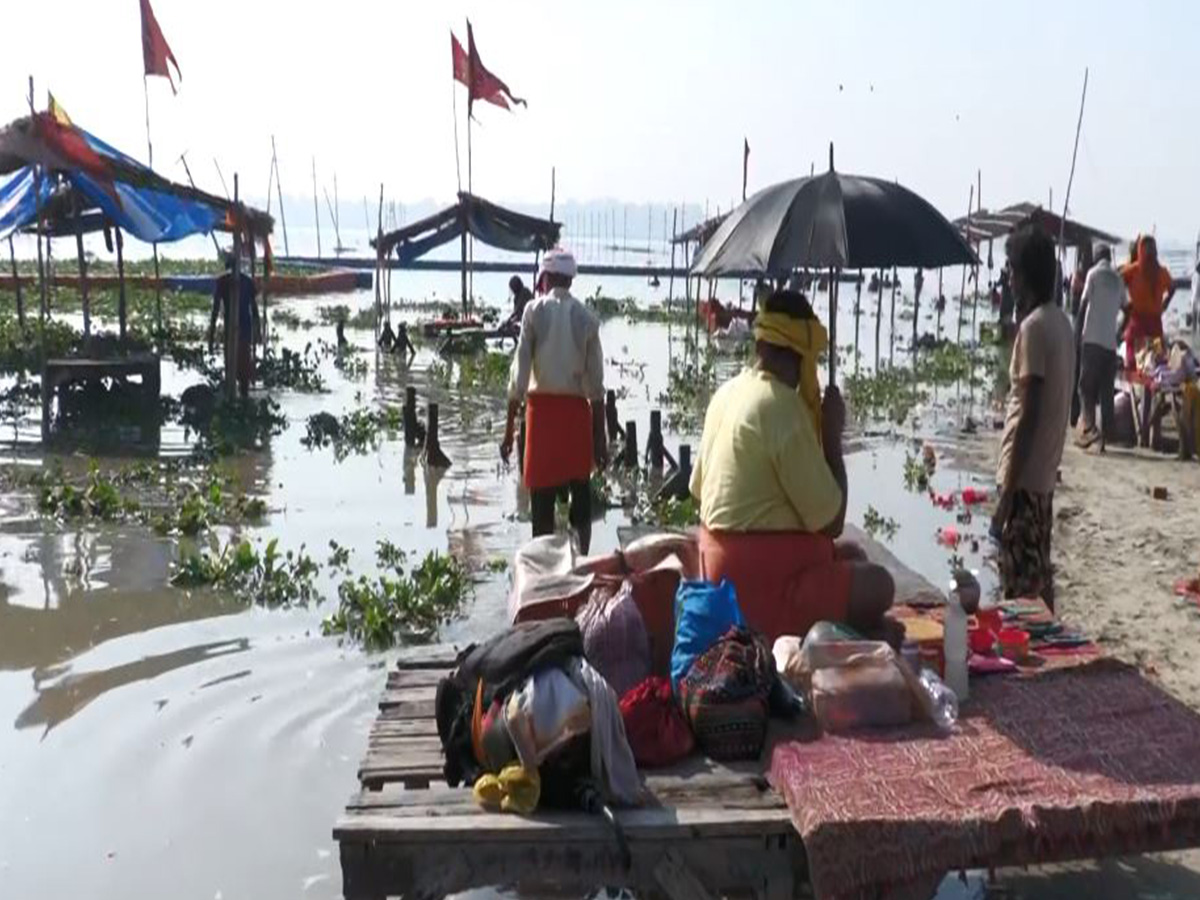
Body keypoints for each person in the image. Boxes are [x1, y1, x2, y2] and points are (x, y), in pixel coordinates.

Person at [689, 289, 895, 644]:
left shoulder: (727, 394)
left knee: (854, 555)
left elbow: (697, 490)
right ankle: (827, 635)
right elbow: (830, 522)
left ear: (760, 346)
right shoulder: (782, 406)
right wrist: (832, 437)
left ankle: (852, 634)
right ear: (803, 361)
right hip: (759, 588)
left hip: (716, 571)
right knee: (881, 585)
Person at [501, 248, 606, 553]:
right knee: (581, 497)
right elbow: (596, 389)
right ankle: (583, 559)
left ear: (544, 279)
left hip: (542, 418)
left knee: (542, 504)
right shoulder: (587, 319)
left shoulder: (533, 312)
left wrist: (509, 431)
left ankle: (542, 570)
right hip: (576, 418)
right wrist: (600, 439)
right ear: (570, 281)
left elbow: (518, 380)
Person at [992, 226, 1075, 611]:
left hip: (1024, 481)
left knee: (1020, 594)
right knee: (1040, 580)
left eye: (1011, 268)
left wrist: (1007, 494)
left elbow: (1028, 411)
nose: (1008, 275)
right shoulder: (1059, 323)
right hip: (1042, 478)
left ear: (1024, 274)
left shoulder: (1035, 328)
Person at [1076, 245, 1127, 448]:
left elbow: (1082, 306)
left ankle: (1088, 429)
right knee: (1107, 391)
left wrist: (1077, 335)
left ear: (1097, 258)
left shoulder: (1093, 274)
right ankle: (1106, 436)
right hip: (1110, 344)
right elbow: (1127, 309)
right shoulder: (1118, 278)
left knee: (1086, 387)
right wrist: (1119, 332)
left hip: (1092, 340)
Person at [208, 252, 260, 400]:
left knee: (235, 366)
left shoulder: (232, 282)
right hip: (236, 329)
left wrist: (211, 337)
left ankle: (239, 397)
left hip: (239, 329)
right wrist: (258, 330)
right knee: (237, 367)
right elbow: (254, 310)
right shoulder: (228, 282)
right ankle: (240, 397)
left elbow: (216, 310)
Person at [1121, 235, 1175, 370]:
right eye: (1148, 250)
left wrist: (1124, 305)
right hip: (1142, 325)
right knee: (1152, 365)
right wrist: (1165, 304)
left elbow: (1116, 281)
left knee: (1147, 365)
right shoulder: (1136, 270)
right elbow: (1172, 288)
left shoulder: (1135, 270)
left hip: (1147, 326)